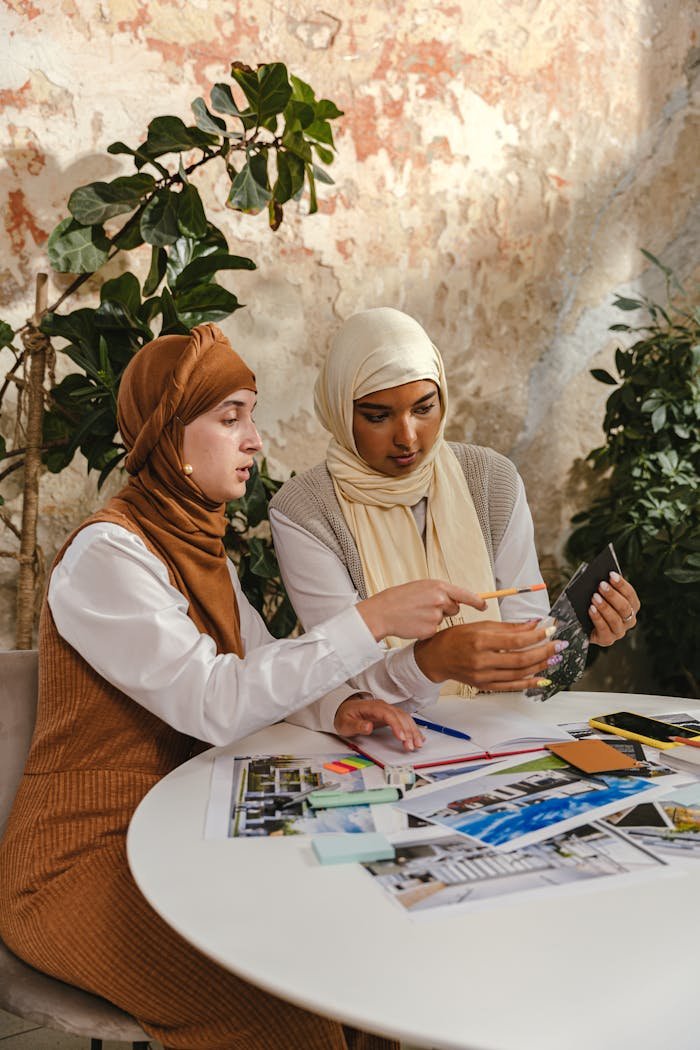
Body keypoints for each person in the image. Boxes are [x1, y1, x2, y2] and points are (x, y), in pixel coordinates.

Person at [0, 323, 550, 1050]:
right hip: (86, 860)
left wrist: (342, 705)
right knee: (284, 1017)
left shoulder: (201, 551)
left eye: (251, 417)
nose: (254, 440)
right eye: (230, 418)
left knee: (360, 961)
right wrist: (372, 619)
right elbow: (215, 700)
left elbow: (264, 664)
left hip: (189, 831)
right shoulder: (107, 555)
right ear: (168, 435)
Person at [269, 307, 640, 715]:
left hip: (501, 728)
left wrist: (580, 633)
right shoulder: (304, 511)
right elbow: (341, 675)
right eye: (378, 416)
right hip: (385, 736)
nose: (407, 437)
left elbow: (528, 645)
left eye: (424, 408)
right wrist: (433, 661)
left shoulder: (491, 480)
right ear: (339, 410)